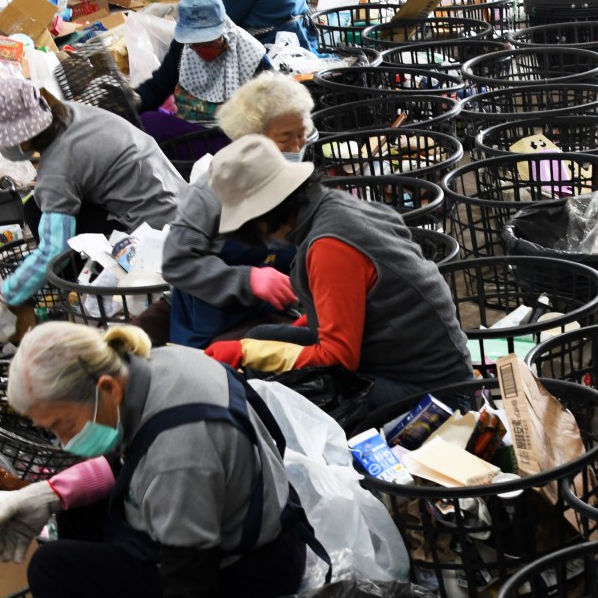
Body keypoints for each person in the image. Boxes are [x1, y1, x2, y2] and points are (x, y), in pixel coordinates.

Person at [0, 322, 320, 598]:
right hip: (255, 522)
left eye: (62, 427)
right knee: (77, 513)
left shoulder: (181, 455)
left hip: (248, 571)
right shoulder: (158, 365)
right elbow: (132, 457)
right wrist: (48, 494)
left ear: (106, 389)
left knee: (53, 570)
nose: (64, 444)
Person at [199, 138, 472, 408]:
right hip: (398, 359)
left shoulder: (330, 244)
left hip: (434, 394)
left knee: (271, 382)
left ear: (266, 213)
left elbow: (337, 359)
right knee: (262, 336)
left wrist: (246, 353)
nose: (264, 239)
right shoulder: (332, 205)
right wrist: (315, 319)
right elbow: (365, 296)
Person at [0, 79, 183, 345]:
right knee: (37, 205)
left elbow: (53, 250)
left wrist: (2, 296)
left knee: (40, 214)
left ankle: (86, 304)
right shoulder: (68, 113)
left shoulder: (59, 167)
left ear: (24, 138)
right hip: (177, 199)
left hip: (155, 235)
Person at [160, 132, 310, 349]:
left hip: (272, 314)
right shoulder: (210, 195)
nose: (296, 150)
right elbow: (177, 264)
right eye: (286, 140)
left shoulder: (290, 188)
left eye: (301, 140)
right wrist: (248, 280)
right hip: (210, 331)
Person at [134, 0, 268, 124]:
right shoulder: (183, 48)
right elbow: (160, 85)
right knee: (146, 120)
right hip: (189, 129)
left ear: (224, 31)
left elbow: (270, 107)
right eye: (195, 45)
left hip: (231, 135)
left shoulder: (252, 55)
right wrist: (137, 99)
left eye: (210, 43)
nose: (202, 50)